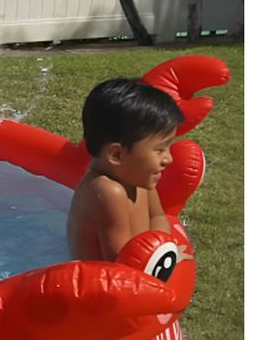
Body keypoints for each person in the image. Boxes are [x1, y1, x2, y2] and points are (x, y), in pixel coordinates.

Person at [67, 77, 184, 261]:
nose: (169, 159)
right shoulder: (108, 191)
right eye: (160, 150)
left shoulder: (138, 178)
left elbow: (157, 217)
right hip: (100, 277)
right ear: (117, 155)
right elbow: (121, 263)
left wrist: (162, 249)